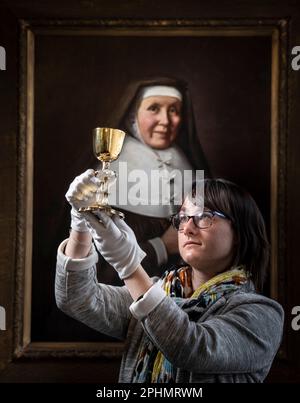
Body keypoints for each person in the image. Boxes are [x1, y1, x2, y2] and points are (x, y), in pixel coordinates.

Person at [55, 175, 284, 383]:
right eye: (183, 218)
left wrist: (129, 265)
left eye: (204, 216)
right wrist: (81, 223)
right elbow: (77, 298)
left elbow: (190, 347)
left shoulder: (263, 314)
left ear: (240, 232)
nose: (187, 228)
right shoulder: (159, 291)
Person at [87, 77, 210, 284]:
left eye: (174, 110)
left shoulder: (189, 164)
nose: (165, 120)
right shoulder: (106, 175)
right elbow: (100, 272)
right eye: (154, 108)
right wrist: (162, 246)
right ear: (132, 116)